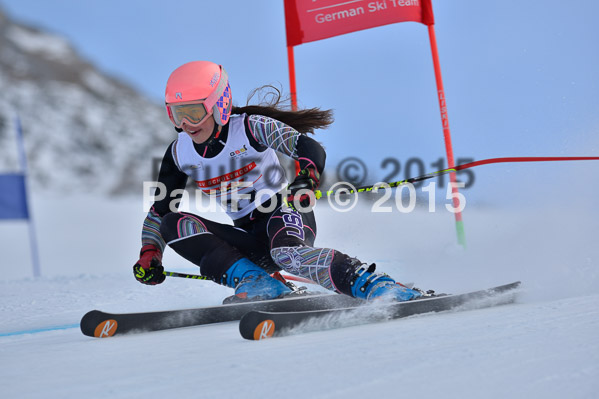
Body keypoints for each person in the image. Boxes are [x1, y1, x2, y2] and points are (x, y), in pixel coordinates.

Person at [133, 60, 423, 302]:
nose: (186, 124)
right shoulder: (179, 152)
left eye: (193, 113)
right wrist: (150, 252)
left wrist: (305, 182)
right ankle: (259, 282)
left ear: (218, 104)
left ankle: (375, 285)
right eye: (177, 114)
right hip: (247, 236)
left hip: (283, 214)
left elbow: (309, 148)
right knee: (173, 224)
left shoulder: (249, 128)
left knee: (284, 252)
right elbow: (160, 211)